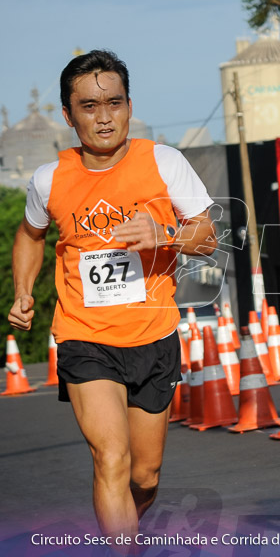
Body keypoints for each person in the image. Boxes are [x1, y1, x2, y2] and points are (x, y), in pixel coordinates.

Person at [8, 50, 217, 549]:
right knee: (112, 459)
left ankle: (123, 524)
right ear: (68, 114)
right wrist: (23, 290)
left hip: (153, 333)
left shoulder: (164, 162)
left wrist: (164, 232)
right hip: (85, 337)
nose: (104, 116)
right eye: (88, 106)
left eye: (114, 102)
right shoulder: (48, 179)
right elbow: (30, 235)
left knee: (144, 476)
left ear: (129, 105)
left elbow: (207, 236)